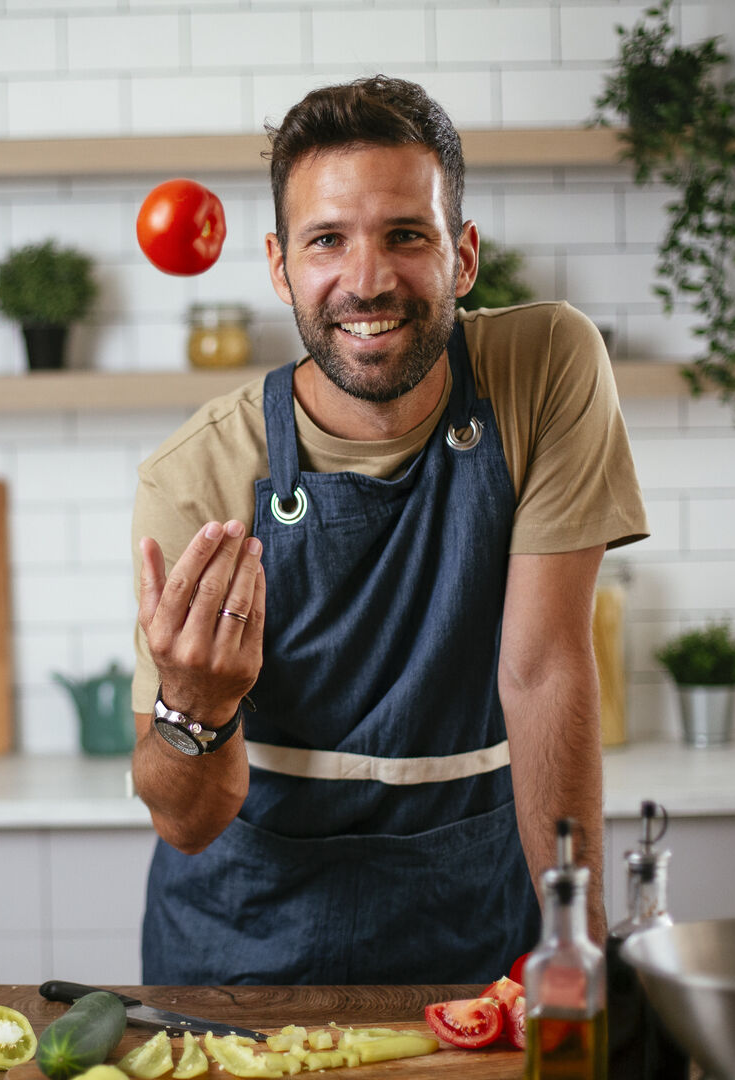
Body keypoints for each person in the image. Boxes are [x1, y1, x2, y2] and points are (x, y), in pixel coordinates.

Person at [129, 75, 647, 986]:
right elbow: (185, 820)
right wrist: (194, 708)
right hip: (245, 960)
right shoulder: (199, 475)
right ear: (282, 265)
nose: (367, 279)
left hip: (478, 937)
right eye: (327, 239)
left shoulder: (546, 370)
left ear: (463, 257)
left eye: (407, 235)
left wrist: (580, 942)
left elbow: (544, 669)